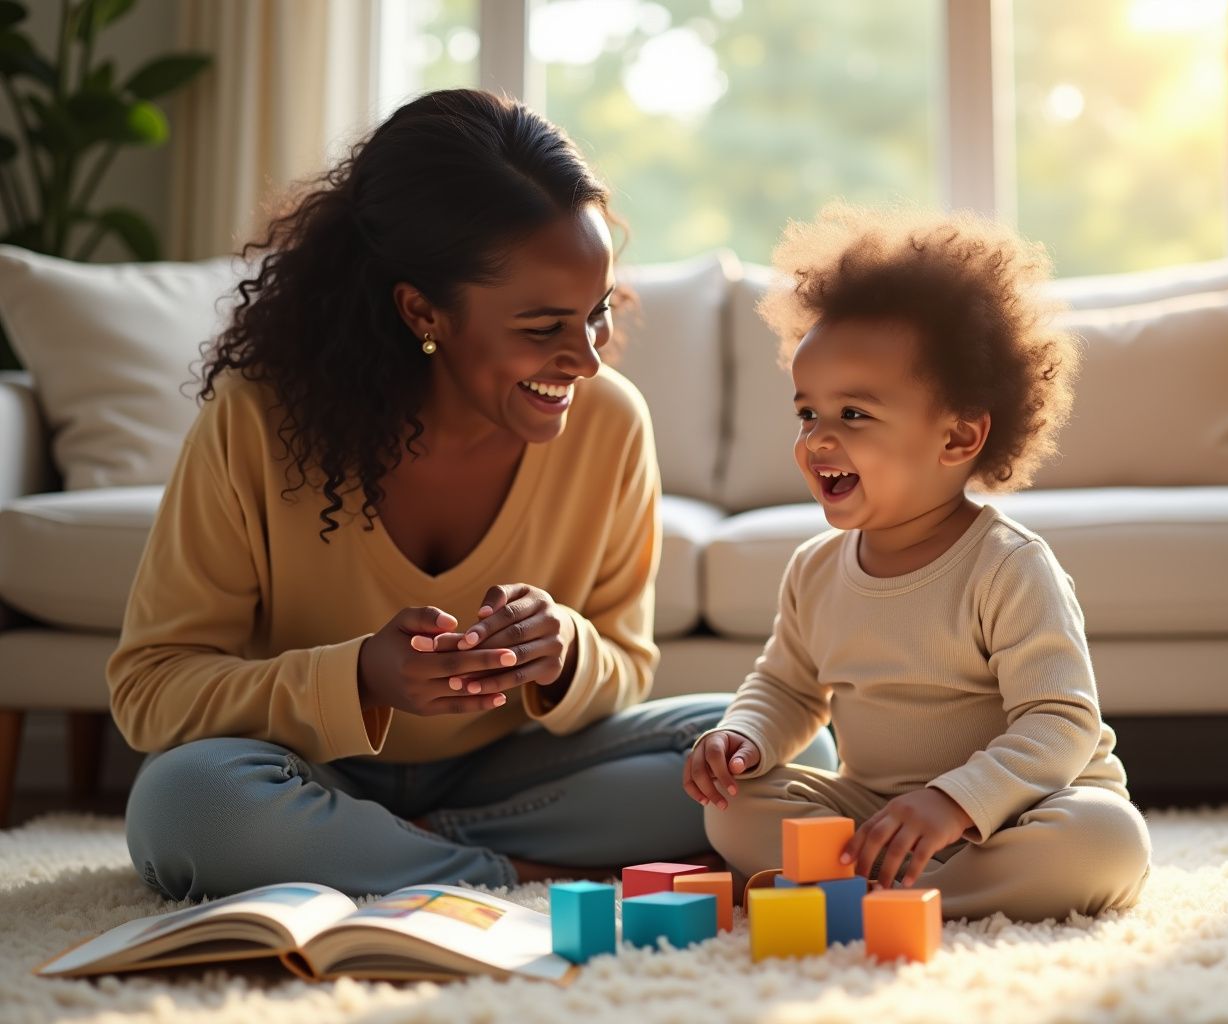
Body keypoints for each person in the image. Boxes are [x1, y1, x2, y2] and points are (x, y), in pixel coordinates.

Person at [109, 89, 837, 901]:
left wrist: (562, 651)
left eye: (594, 316)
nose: (588, 360)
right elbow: (152, 688)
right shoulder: (257, 420)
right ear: (424, 310)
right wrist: (355, 680)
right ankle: (506, 876)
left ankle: (394, 853)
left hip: (514, 778)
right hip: (313, 772)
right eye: (542, 328)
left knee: (796, 754)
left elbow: (627, 664)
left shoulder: (610, 424)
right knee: (183, 805)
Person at [683, 204, 1150, 922]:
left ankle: (906, 895)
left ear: (959, 437)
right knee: (733, 811)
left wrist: (955, 803)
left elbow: (1059, 723)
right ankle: (887, 883)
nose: (818, 440)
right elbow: (787, 688)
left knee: (1105, 841)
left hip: (1019, 810)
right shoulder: (814, 569)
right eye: (808, 413)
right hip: (873, 814)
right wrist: (743, 736)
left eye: (855, 415)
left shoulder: (1007, 565)